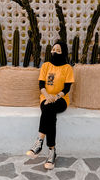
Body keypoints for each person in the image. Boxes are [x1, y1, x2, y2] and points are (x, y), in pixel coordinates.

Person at [26, 40, 74, 170]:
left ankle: (39, 142)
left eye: (58, 51)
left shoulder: (67, 68)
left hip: (61, 99)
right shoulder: (46, 65)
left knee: (49, 109)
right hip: (45, 97)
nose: (55, 52)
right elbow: (41, 85)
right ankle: (52, 151)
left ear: (63, 52)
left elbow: (67, 88)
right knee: (49, 111)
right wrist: (47, 96)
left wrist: (55, 97)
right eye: (53, 50)